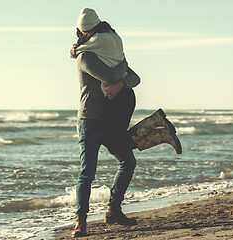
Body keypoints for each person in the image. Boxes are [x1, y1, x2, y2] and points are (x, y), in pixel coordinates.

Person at [70, 8, 182, 237]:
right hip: (90, 121)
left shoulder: (106, 55)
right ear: (84, 34)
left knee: (127, 161)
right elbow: (113, 76)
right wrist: (121, 68)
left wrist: (122, 83)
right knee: (87, 173)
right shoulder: (85, 57)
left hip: (109, 120)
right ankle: (80, 221)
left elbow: (134, 77)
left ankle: (113, 209)